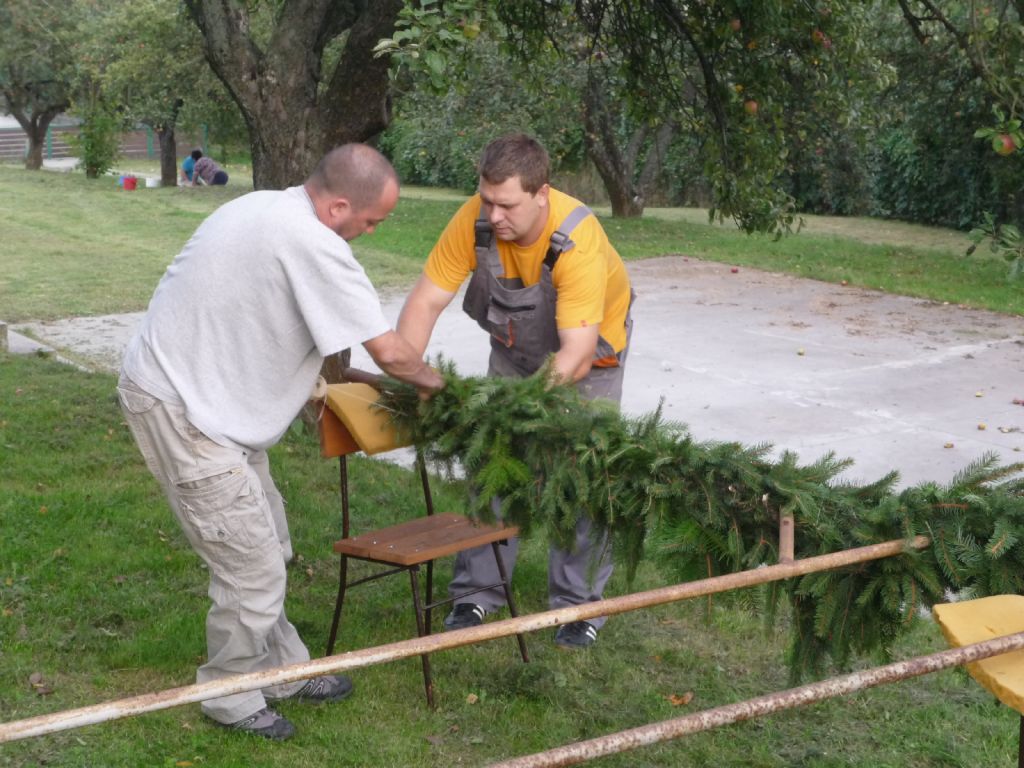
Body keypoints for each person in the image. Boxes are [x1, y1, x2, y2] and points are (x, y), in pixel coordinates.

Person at [118, 144, 443, 741]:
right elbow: (392, 353)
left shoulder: (264, 207)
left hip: (213, 401)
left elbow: (318, 344)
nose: (372, 232)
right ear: (338, 207)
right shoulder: (312, 242)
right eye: (372, 221)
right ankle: (230, 695)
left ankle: (283, 671)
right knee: (251, 567)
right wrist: (438, 387)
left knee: (271, 545)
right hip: (184, 408)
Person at [396, 133, 634, 650]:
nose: (494, 215)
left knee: (580, 473)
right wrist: (410, 375)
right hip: (515, 351)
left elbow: (574, 356)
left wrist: (515, 405)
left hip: (590, 360)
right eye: (487, 200)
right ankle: (477, 593)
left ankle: (578, 607)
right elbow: (424, 302)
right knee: (494, 461)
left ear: (541, 194)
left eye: (507, 205)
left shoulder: (577, 240)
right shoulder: (475, 219)